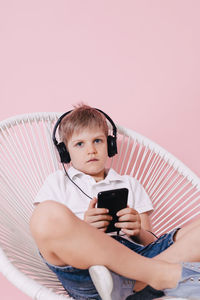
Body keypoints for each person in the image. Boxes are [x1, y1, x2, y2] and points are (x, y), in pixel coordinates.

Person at [30, 104, 200, 300]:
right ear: (64, 151)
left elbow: (150, 242)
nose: (91, 150)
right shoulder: (57, 182)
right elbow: (45, 237)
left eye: (98, 141)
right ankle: (155, 276)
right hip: (89, 272)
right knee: (45, 215)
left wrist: (138, 232)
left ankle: (141, 283)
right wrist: (85, 229)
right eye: (80, 144)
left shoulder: (130, 183)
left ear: (110, 145)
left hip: (140, 258)